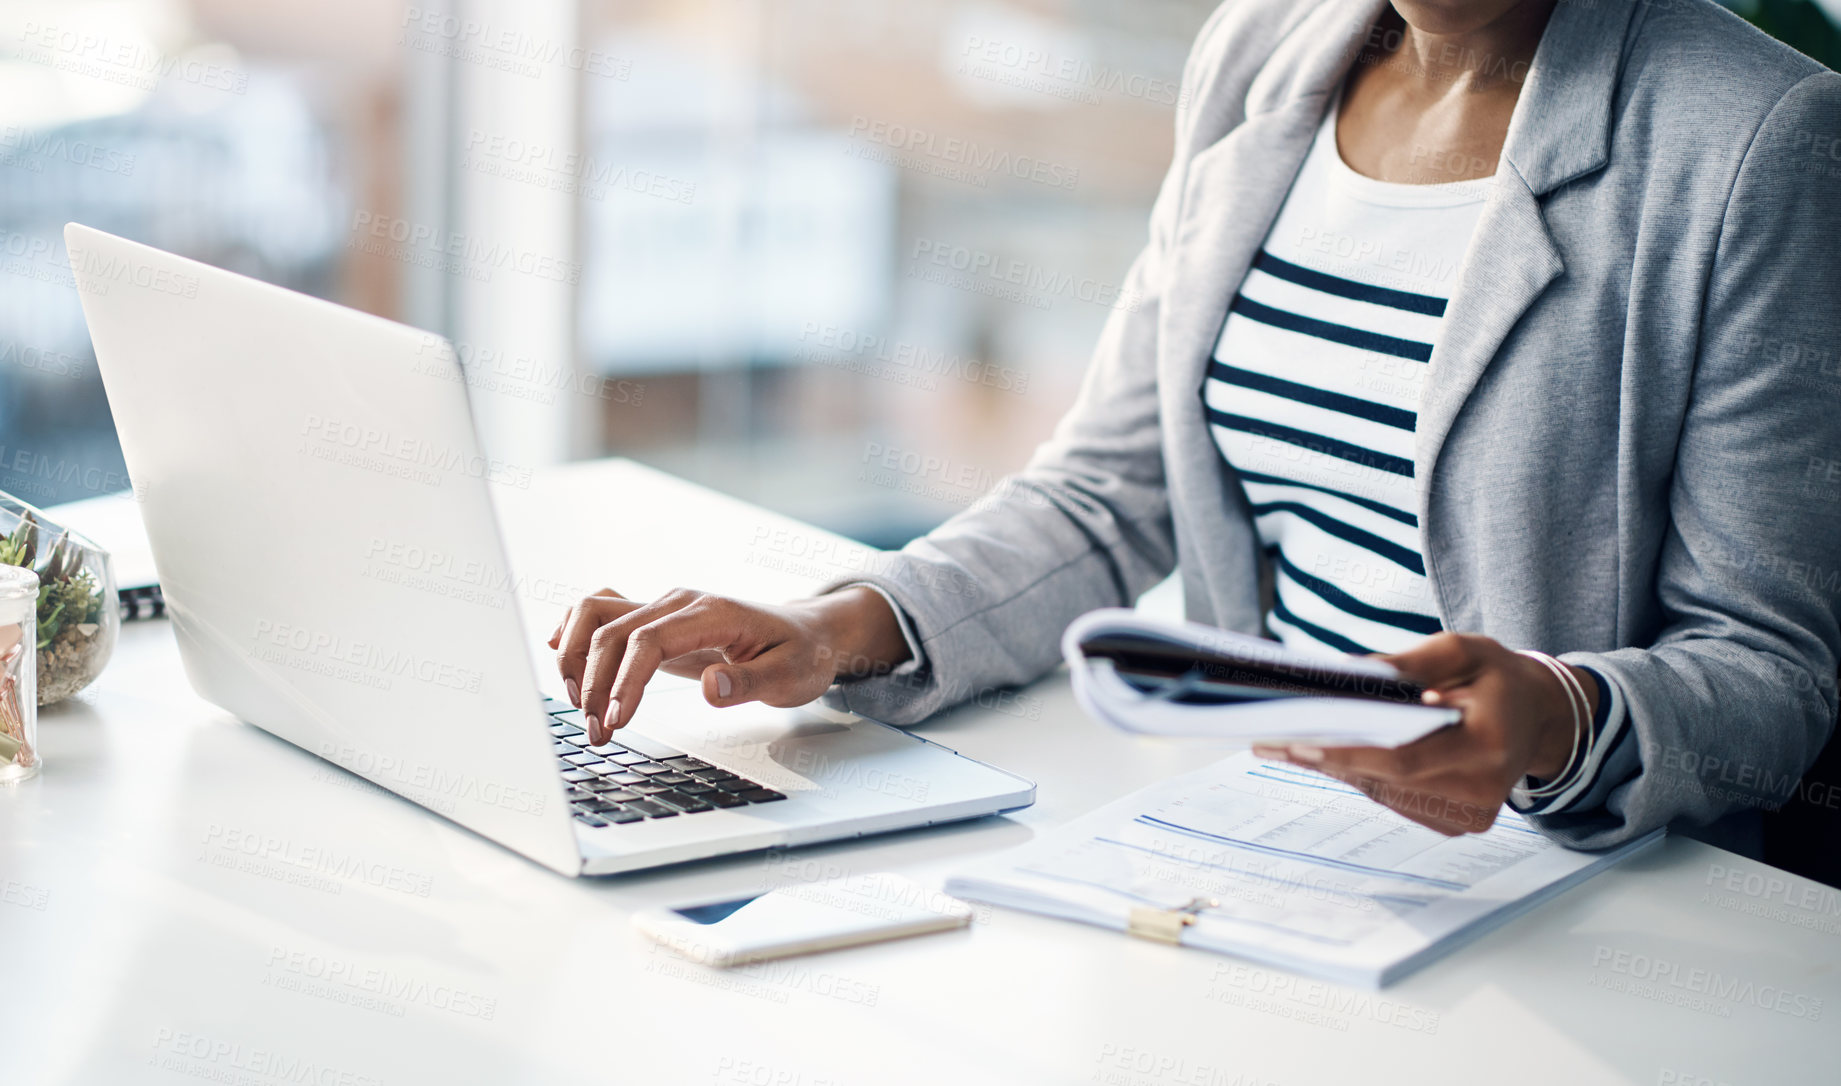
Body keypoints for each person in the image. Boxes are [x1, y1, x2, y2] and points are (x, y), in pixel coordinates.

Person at [551, 0, 1841, 852]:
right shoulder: (1265, 52)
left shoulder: (1754, 135)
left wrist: (1554, 717)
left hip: (1544, 876)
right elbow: (1110, 492)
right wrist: (839, 626)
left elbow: (1772, 674)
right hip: (1255, 832)